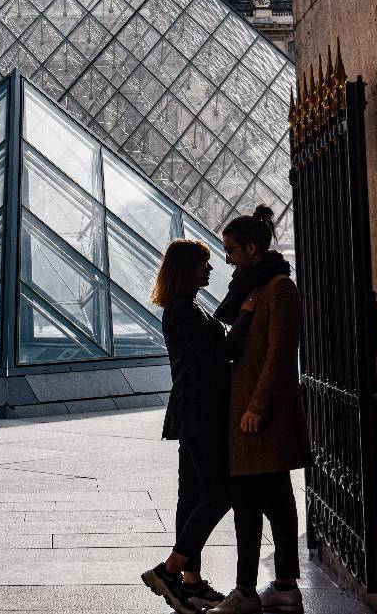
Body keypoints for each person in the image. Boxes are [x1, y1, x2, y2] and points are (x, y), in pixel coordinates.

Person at [142, 239, 257, 613]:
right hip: (200, 414)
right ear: (188, 269)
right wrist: (245, 316)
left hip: (192, 412)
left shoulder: (185, 307)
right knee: (220, 492)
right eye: (204, 264)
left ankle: (190, 584)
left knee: (191, 498)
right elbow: (219, 354)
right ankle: (171, 569)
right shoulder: (183, 311)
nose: (210, 269)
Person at [206, 207, 310, 614]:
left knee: (269, 505)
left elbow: (280, 356)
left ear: (252, 248)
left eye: (231, 249)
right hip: (248, 416)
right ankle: (268, 586)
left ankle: (257, 589)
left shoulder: (279, 288)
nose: (226, 257)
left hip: (261, 417)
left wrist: (257, 407)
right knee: (260, 502)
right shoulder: (254, 290)